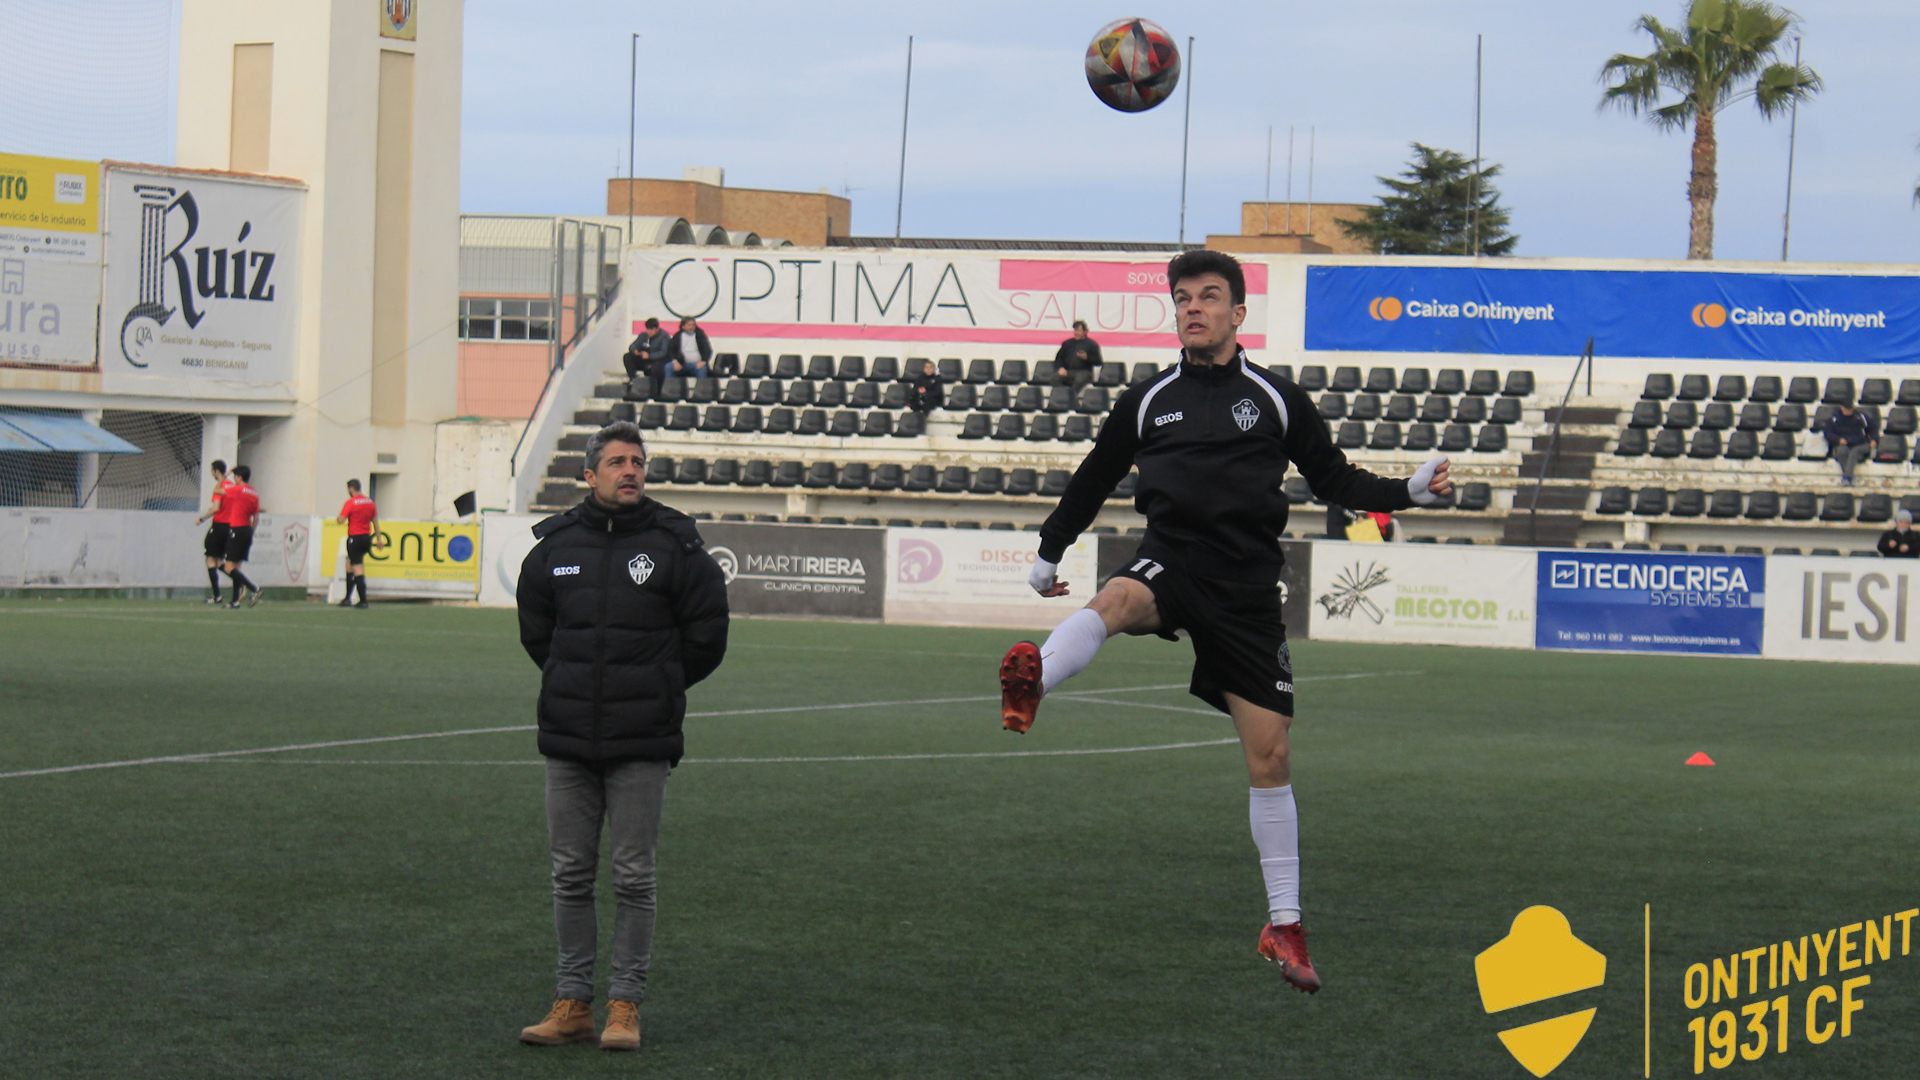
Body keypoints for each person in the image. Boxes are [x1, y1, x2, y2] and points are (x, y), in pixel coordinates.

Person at [997, 250, 1452, 996]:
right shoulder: (1147, 400)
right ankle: (1034, 677)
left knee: (1270, 758)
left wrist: (1408, 489)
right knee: (1114, 601)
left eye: (1210, 297)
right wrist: (1049, 552)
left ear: (1238, 314)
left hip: (1245, 590)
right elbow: (1094, 478)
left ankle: (1283, 924)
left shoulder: (1276, 399)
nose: (1194, 308)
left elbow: (1335, 479)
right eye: (1183, 298)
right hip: (1170, 560)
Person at [515, 420, 730, 1052]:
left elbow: (707, 634)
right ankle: (572, 1002)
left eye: (637, 460)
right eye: (616, 461)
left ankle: (624, 1006)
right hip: (569, 736)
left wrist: (658, 686)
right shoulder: (554, 547)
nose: (630, 470)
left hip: (642, 739)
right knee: (569, 875)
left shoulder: (676, 544)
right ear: (590, 474)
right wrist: (579, 686)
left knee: (634, 876)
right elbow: (539, 636)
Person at [219, 465, 263, 609]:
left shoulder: (237, 489)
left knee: (228, 567)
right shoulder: (254, 493)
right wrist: (251, 530)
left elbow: (217, 491)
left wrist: (224, 476)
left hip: (237, 529)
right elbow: (256, 517)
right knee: (236, 568)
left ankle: (254, 588)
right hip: (247, 530)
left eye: (235, 476)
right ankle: (235, 601)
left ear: (238, 477)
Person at [335, 479, 380, 609]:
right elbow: (375, 521)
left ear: (351, 489)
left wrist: (339, 518)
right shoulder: (370, 502)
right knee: (349, 564)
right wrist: (379, 539)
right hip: (366, 538)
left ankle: (363, 600)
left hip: (355, 538)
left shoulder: (351, 503)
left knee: (357, 568)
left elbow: (341, 520)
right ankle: (347, 598)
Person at [194, 459, 232, 604]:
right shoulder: (232, 486)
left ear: (216, 472)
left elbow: (216, 507)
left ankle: (217, 596)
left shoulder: (220, 486)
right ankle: (240, 582)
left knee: (210, 559)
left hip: (218, 526)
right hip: (229, 527)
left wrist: (202, 519)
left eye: (212, 470)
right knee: (219, 561)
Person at [1822, 400, 1878, 486]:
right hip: (1844, 445)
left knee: (1855, 451)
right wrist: (1838, 439)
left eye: (1850, 409)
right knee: (1841, 451)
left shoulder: (1861, 417)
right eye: (1847, 409)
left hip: (1861, 444)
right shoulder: (1834, 419)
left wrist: (1874, 439)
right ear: (1841, 407)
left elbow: (1873, 428)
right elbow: (1828, 433)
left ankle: (1847, 478)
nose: (1849, 411)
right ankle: (1849, 477)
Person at [1053, 320, 1103, 395]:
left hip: (1084, 372)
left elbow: (1098, 362)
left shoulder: (1092, 344)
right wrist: (1061, 368)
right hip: (1068, 371)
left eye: (1079, 330)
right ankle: (1063, 395)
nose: (1076, 333)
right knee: (1054, 378)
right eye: (1075, 330)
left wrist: (1087, 358)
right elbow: (1059, 358)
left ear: (1085, 331)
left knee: (1079, 380)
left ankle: (1071, 397)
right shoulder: (1067, 343)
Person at [624, 317, 671, 394]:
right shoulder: (644, 335)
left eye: (651, 329)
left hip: (657, 360)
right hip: (644, 358)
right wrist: (635, 350)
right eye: (648, 329)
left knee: (656, 368)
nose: (649, 332)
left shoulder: (664, 337)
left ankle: (655, 388)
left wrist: (650, 356)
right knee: (628, 357)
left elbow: (663, 352)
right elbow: (632, 346)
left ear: (656, 329)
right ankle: (633, 379)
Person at [665, 316, 711, 380]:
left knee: (702, 369)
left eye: (693, 325)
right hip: (681, 363)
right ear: (683, 326)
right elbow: (671, 350)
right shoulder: (678, 336)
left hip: (697, 364)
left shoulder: (700, 335)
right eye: (689, 325)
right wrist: (675, 361)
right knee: (668, 367)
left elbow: (708, 350)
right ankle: (670, 388)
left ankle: (701, 389)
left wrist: (704, 361)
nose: (691, 327)